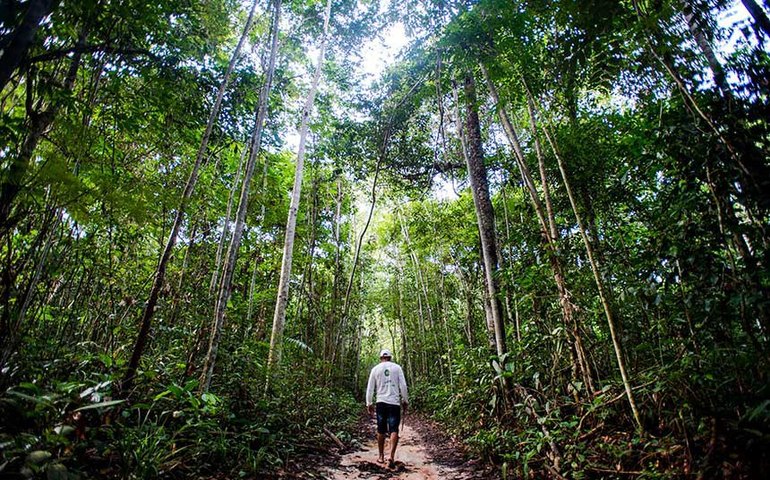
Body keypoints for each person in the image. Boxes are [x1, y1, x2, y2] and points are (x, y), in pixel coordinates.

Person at [366, 349, 409, 469]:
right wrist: (405, 400)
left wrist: (369, 403)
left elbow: (370, 388)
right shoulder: (397, 368)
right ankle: (391, 456)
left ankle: (380, 456)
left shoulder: (375, 369)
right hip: (394, 403)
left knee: (381, 429)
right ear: (390, 357)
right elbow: (403, 386)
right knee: (394, 429)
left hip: (381, 403)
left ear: (381, 358)